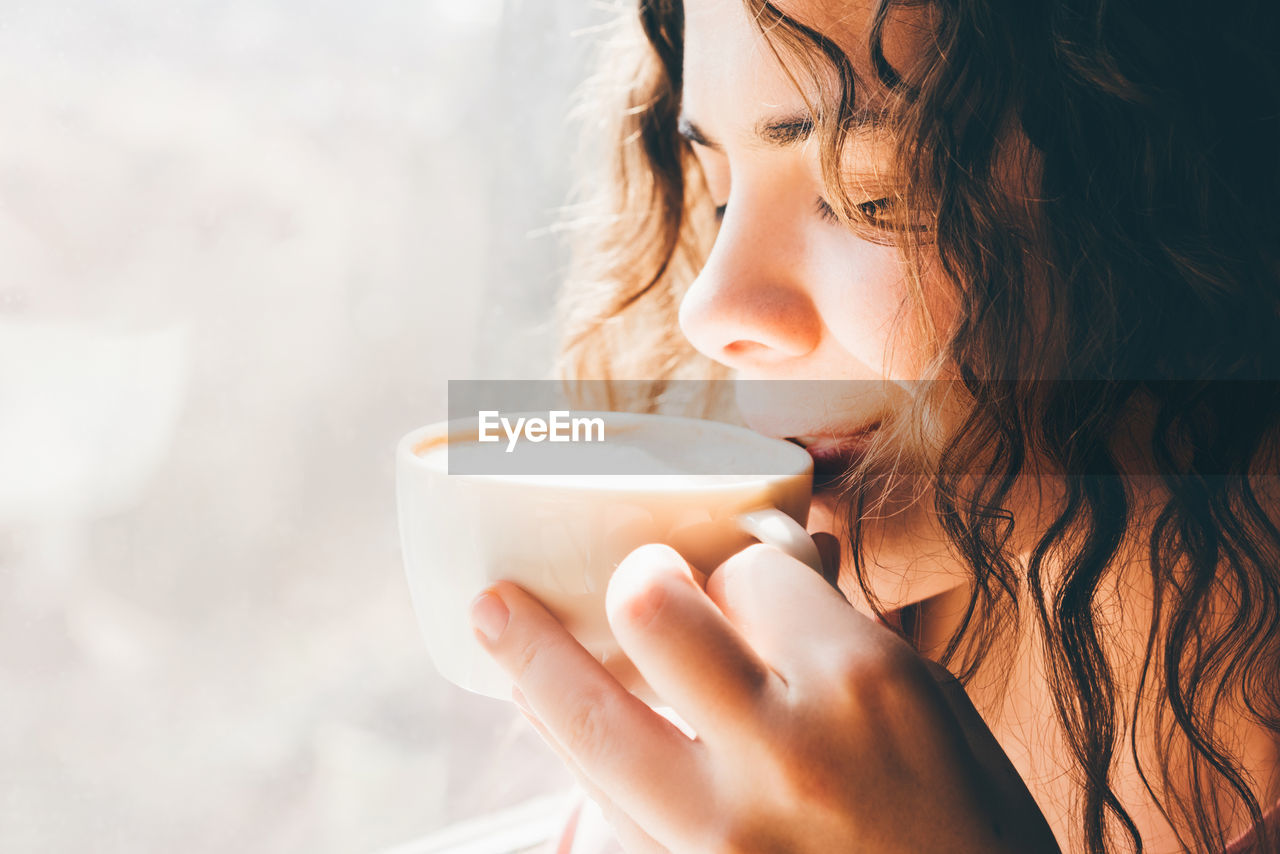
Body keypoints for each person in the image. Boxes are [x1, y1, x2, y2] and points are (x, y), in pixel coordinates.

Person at [468, 0, 1280, 850]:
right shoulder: (777, 701)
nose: (709, 307)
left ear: (1203, 203)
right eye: (717, 199)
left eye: (869, 193)